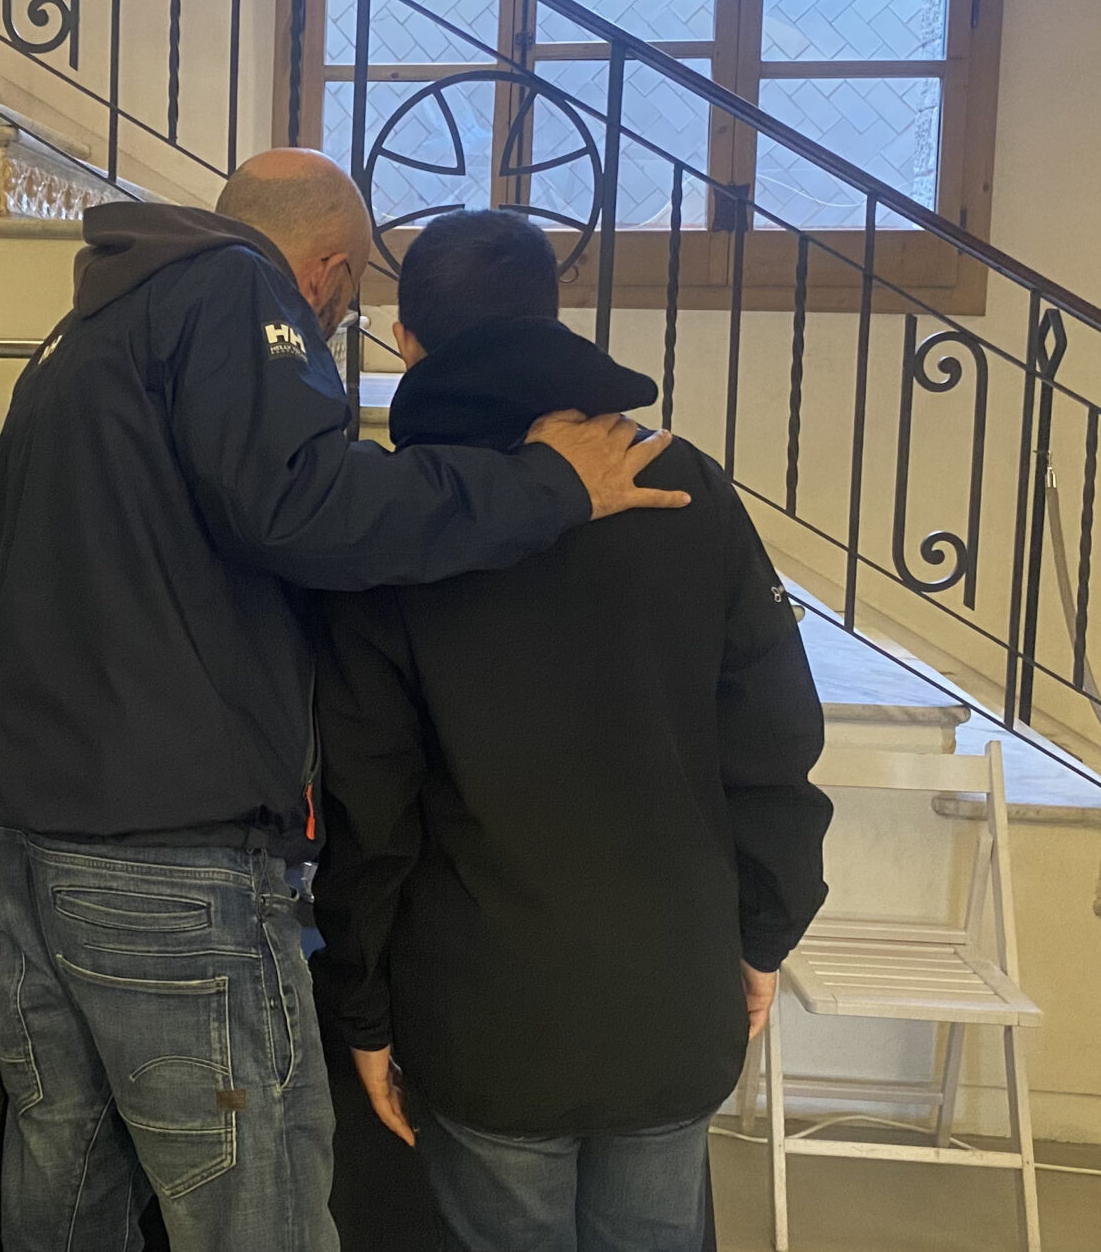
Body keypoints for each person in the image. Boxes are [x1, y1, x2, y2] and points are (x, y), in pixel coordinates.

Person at [0, 150, 688, 1252]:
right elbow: (304, 505)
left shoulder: (90, 331)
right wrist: (544, 484)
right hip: (167, 850)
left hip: (37, 832)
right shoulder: (233, 288)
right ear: (330, 273)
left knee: (68, 1181)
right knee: (253, 1201)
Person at [309, 209, 834, 1252]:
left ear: (407, 341)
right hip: (670, 988)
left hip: (484, 1009)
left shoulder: (398, 517)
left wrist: (360, 1005)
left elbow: (372, 797)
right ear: (552, 317)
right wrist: (763, 929)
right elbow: (774, 732)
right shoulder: (684, 482)